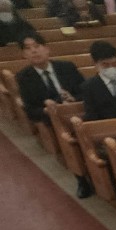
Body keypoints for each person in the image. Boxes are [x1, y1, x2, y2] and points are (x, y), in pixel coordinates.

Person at [16, 33, 90, 195]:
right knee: (65, 136)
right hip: (51, 120)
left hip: (77, 112)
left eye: (37, 46)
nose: (34, 51)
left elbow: (86, 92)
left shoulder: (67, 67)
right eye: (28, 49)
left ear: (47, 49)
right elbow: (30, 110)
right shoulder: (24, 77)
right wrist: (46, 109)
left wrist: (73, 98)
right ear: (24, 55)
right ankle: (81, 179)